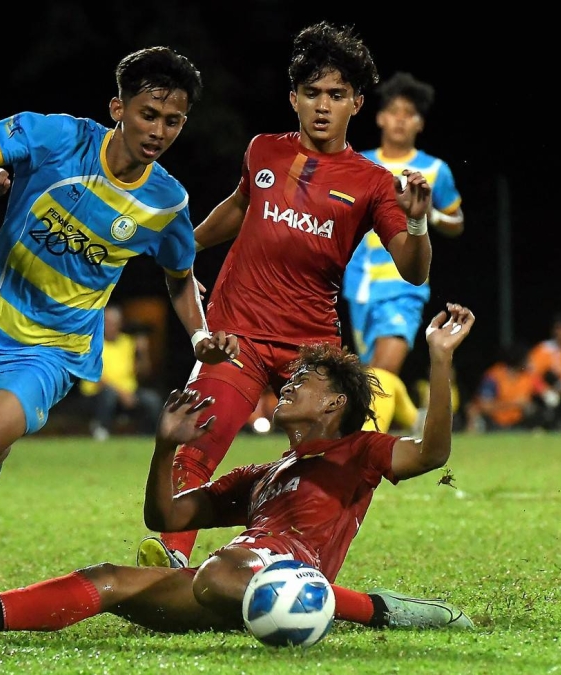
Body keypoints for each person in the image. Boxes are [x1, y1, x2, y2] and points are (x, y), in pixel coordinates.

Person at [0, 46, 241, 638]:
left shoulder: (166, 203)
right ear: (119, 107)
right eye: (148, 115)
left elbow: (180, 276)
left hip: (54, 349)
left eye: (173, 121)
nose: (159, 131)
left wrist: (199, 335)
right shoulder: (53, 137)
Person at [0, 304, 477, 641]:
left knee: (218, 570)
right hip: (226, 581)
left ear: (336, 401)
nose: (288, 383)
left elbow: (430, 454)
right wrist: (163, 449)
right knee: (111, 579)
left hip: (277, 575)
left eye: (306, 378)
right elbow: (166, 515)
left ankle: (379, 610)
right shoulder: (263, 475)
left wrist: (441, 359)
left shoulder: (360, 451)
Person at [135, 20, 434, 570]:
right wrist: (183, 249)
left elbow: (414, 272)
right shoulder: (264, 151)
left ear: (357, 103)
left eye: (337, 95)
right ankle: (172, 561)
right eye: (313, 93)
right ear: (293, 97)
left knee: (332, 461)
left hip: (312, 348)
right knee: (194, 443)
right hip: (236, 332)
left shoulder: (370, 182)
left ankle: (302, 561)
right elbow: (240, 205)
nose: (323, 106)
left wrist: (417, 225)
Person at [341, 71, 464, 435]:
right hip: (358, 287)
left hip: (404, 282)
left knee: (382, 370)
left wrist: (431, 214)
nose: (399, 119)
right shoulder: (358, 164)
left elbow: (457, 221)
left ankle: (359, 457)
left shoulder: (434, 169)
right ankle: (418, 421)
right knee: (371, 377)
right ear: (379, 117)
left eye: (408, 113)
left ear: (420, 123)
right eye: (393, 111)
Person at [79, 305, 164, 440]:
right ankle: (101, 431)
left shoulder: (128, 343)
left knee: (152, 399)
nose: (110, 326)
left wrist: (143, 352)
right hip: (97, 394)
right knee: (108, 394)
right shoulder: (92, 343)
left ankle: (150, 436)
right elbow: (98, 378)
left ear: (120, 324)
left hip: (128, 393)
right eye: (107, 322)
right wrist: (122, 394)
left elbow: (143, 373)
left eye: (114, 323)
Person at [465, 343, 549, 432]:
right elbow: (485, 406)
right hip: (493, 423)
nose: (530, 362)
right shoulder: (494, 377)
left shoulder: (529, 376)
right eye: (527, 359)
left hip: (520, 423)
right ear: (519, 360)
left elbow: (547, 394)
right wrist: (514, 404)